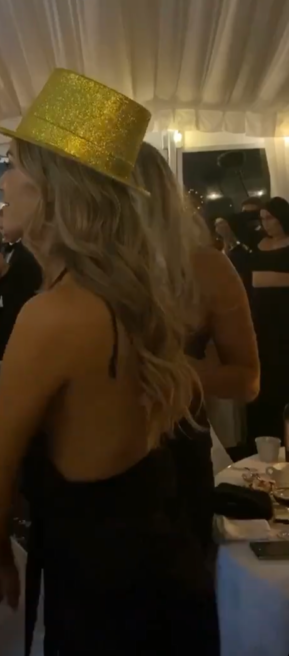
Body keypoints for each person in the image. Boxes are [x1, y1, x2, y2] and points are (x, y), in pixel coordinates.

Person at [0, 69, 220, 655]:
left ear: (54, 190)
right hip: (162, 571)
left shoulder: (54, 314)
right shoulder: (129, 294)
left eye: (15, 166)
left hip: (107, 595)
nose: (2, 181)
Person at [134, 143, 260, 554]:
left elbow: (247, 380)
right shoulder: (80, 267)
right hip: (86, 462)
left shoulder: (204, 265)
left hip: (173, 452)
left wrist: (170, 369)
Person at [248, 197, 289, 442]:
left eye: (270, 218)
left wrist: (268, 279)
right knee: (264, 374)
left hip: (284, 318)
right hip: (261, 319)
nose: (266, 223)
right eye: (262, 219)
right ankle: (262, 436)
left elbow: (260, 279)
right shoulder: (258, 244)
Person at [0, 216, 42, 362]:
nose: (0, 228)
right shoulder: (1, 248)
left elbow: (29, 285)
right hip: (1, 319)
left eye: (3, 224)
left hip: (21, 319)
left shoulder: (31, 252)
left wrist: (4, 272)